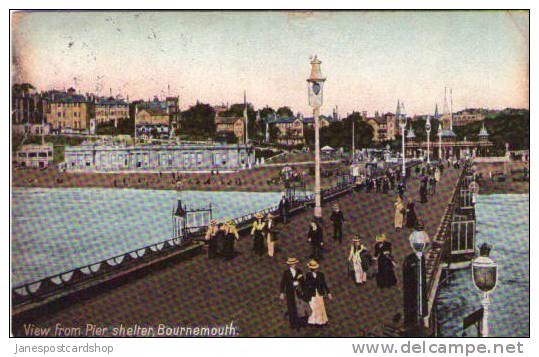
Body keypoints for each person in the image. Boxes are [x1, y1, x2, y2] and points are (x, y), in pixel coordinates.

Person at [279, 258, 306, 330]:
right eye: (292, 264)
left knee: (299, 308)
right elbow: (283, 282)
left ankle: (300, 323)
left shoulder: (299, 271)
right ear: (289, 265)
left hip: (298, 292)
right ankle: (293, 324)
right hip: (289, 292)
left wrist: (302, 288)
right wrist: (281, 292)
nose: (293, 265)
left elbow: (302, 281)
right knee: (291, 308)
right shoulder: (286, 273)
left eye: (294, 264)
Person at [305, 260, 332, 326]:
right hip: (312, 293)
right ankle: (313, 321)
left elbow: (324, 284)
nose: (314, 269)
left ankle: (320, 321)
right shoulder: (308, 275)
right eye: (312, 269)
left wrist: (328, 293)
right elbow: (306, 284)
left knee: (320, 306)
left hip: (319, 293)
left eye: (314, 268)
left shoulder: (321, 275)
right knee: (313, 306)